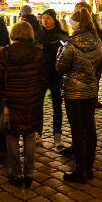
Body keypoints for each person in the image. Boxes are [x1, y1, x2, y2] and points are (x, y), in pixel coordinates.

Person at [0, 21, 45, 188]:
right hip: (32, 99)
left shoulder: (6, 53)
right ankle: (29, 173)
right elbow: (44, 78)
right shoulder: (38, 54)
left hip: (11, 100)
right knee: (29, 134)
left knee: (12, 135)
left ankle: (16, 173)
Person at [56, 8, 102, 183]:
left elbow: (60, 67)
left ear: (75, 24)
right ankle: (89, 168)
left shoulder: (71, 43)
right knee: (90, 127)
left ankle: (80, 169)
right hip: (90, 89)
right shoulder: (97, 41)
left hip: (73, 92)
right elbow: (97, 64)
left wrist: (59, 53)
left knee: (77, 129)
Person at [35, 9, 68, 148]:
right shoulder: (38, 34)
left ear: (54, 19)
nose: (45, 21)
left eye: (47, 18)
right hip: (40, 74)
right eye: (43, 18)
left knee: (57, 106)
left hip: (55, 75)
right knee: (38, 106)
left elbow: (64, 50)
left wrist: (46, 47)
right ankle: (38, 134)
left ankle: (57, 135)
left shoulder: (61, 34)